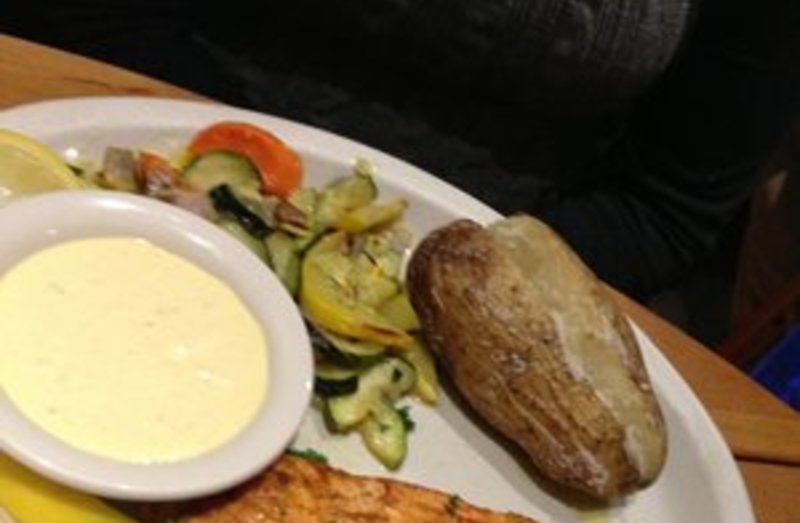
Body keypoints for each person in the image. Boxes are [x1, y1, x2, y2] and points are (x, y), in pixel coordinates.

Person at [1, 0, 798, 308]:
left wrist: (438, 293)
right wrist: (227, 201)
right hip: (140, 147)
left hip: (476, 285)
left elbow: (665, 206)